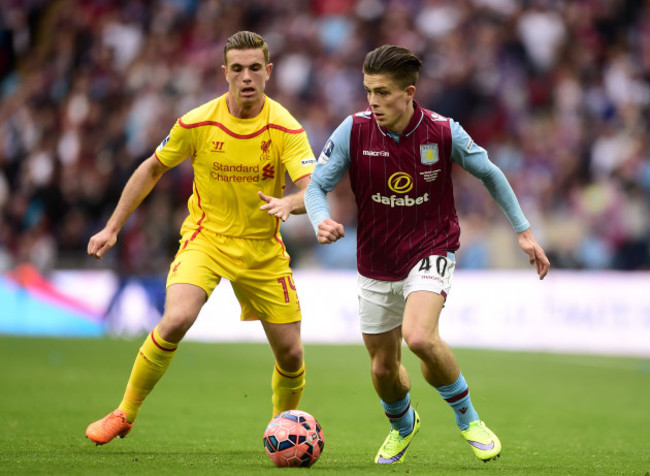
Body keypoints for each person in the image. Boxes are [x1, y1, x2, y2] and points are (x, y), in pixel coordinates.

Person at [305, 45, 550, 465]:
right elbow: (315, 187)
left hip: (430, 248)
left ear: (409, 92)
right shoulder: (352, 130)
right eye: (368, 91)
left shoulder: (443, 132)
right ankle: (403, 425)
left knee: (418, 336)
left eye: (382, 93)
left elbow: (490, 173)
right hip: (376, 261)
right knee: (383, 370)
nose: (373, 102)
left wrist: (523, 233)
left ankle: (469, 419)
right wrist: (320, 219)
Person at [85, 31, 316, 445]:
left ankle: (283, 430)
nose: (247, 77)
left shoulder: (285, 127)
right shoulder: (197, 122)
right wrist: (113, 226)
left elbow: (312, 188)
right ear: (224, 72)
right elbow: (152, 168)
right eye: (238, 69)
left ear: (269, 72)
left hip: (262, 249)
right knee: (175, 319)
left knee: (292, 355)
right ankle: (125, 412)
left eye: (255, 68)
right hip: (205, 239)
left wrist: (293, 204)